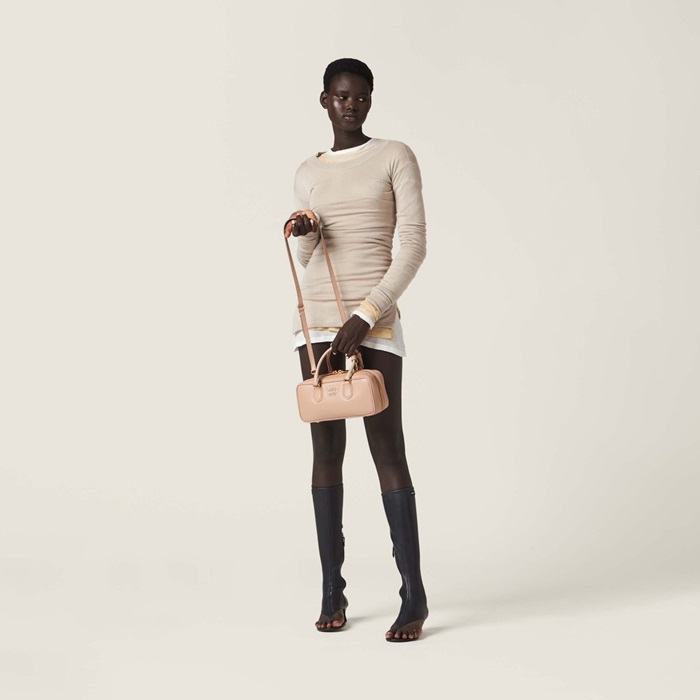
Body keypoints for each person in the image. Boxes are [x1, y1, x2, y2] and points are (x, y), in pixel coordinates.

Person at [283, 58, 429, 642]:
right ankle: (332, 591)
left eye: (361, 96)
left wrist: (366, 315)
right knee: (325, 452)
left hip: (373, 321)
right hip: (315, 326)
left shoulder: (394, 156)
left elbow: (412, 246)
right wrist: (306, 233)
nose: (351, 105)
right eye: (341, 96)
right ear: (324, 100)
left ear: (370, 99)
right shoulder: (307, 172)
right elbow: (307, 260)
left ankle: (413, 596)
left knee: (387, 448)